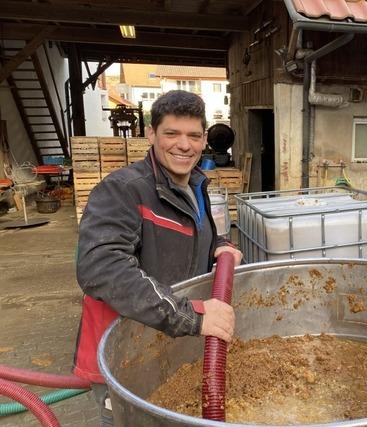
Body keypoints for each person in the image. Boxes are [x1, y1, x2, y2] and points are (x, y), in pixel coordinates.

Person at [73, 90, 243, 425]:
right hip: (125, 354)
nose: (184, 145)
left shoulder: (195, 185)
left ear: (204, 139)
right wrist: (190, 317)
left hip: (167, 342)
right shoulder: (122, 189)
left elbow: (190, 234)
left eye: (194, 135)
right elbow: (100, 267)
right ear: (151, 134)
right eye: (172, 134)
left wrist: (219, 244)